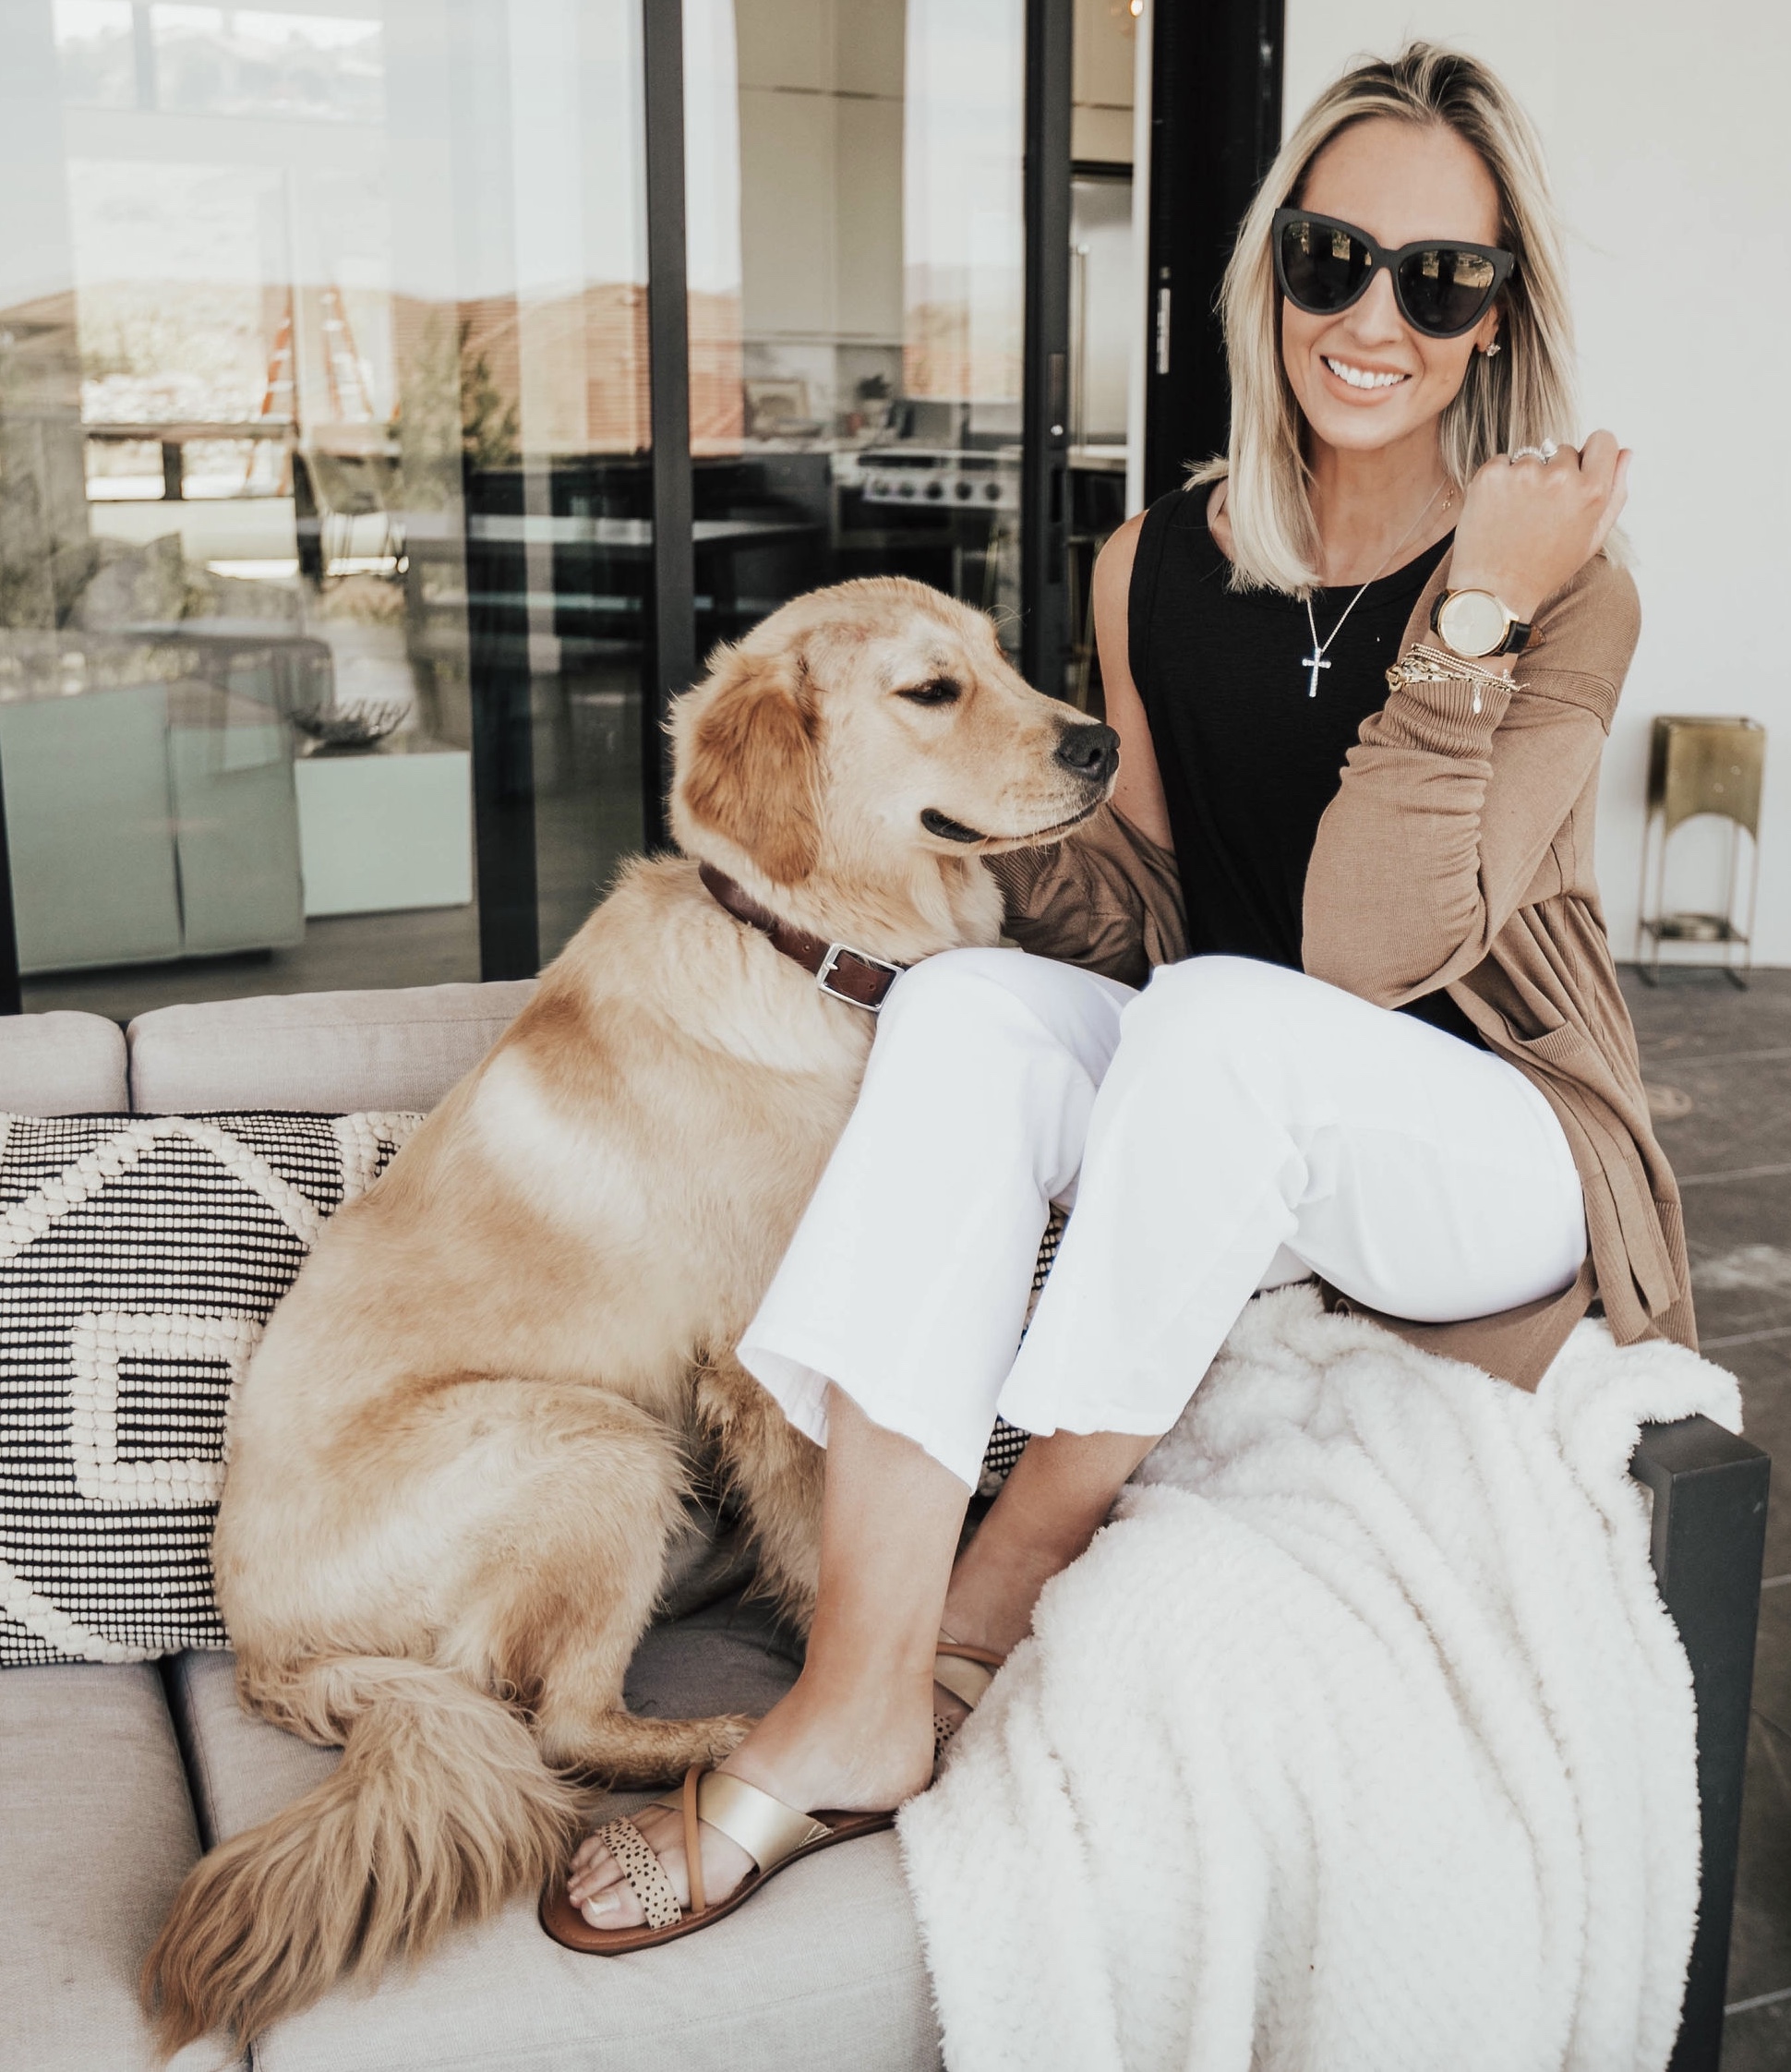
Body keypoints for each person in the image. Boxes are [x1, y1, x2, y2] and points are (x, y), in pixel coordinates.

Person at [561, 40, 1693, 1939]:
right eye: (1334, 258)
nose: (1376, 319)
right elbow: (1147, 918)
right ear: (1272, 271)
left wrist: (1475, 613)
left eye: (1441, 280)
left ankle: (1006, 1574)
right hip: (1219, 1098)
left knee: (1234, 1022)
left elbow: (1368, 955)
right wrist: (965, 794)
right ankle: (861, 1688)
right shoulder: (1156, 560)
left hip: (1486, 1149)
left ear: (1498, 316)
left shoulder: (1568, 583)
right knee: (968, 1012)